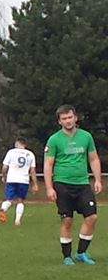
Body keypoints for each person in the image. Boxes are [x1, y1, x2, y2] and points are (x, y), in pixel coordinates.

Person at [43, 104, 102, 265]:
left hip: (82, 183)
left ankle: (81, 252)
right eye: (64, 118)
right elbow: (48, 164)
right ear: (59, 121)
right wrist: (49, 187)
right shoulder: (54, 139)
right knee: (67, 220)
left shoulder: (86, 137)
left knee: (92, 217)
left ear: (75, 118)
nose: (68, 121)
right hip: (62, 184)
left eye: (70, 117)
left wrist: (97, 179)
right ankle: (67, 256)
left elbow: (93, 158)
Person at [0, 136, 38, 226]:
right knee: (20, 200)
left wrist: (3, 176)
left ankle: (3, 209)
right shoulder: (30, 154)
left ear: (17, 143)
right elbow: (32, 170)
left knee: (9, 199)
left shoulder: (11, 152)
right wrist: (35, 184)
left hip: (11, 179)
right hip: (24, 180)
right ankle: (17, 220)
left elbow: (4, 167)